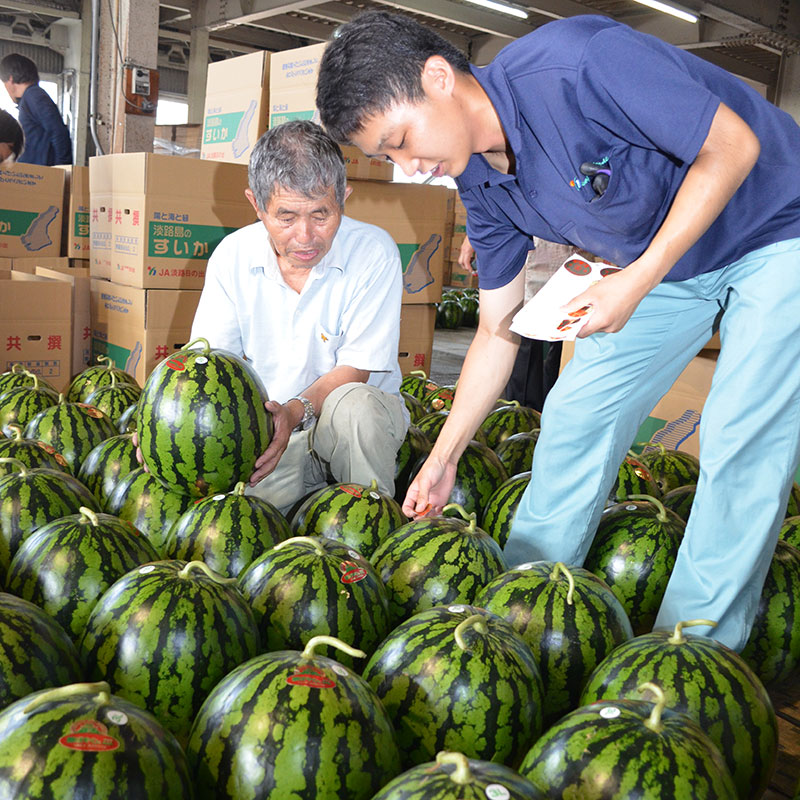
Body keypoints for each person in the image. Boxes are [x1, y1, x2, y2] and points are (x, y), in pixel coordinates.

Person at [316, 11, 800, 652]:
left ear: (437, 78)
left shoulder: (581, 63)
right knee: (575, 414)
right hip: (670, 257)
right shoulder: (479, 181)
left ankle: (692, 652)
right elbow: (495, 330)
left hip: (776, 224)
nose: (409, 166)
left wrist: (634, 281)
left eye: (401, 140)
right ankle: (517, 618)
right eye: (386, 157)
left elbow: (735, 147)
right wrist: (445, 455)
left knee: (743, 437)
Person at [190, 120, 409, 515]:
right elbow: (209, 365)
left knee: (354, 406)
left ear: (344, 197)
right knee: (232, 520)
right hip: (270, 432)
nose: (305, 236)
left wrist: (295, 412)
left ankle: (368, 534)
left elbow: (356, 370)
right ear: (256, 204)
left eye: (321, 215)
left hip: (352, 428)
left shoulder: (374, 253)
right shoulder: (231, 257)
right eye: (286, 217)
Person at [0, 53, 71, 166]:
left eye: (4, 84)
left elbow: (58, 132)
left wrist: (63, 172)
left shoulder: (34, 96)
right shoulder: (28, 100)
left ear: (10, 79)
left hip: (44, 176)